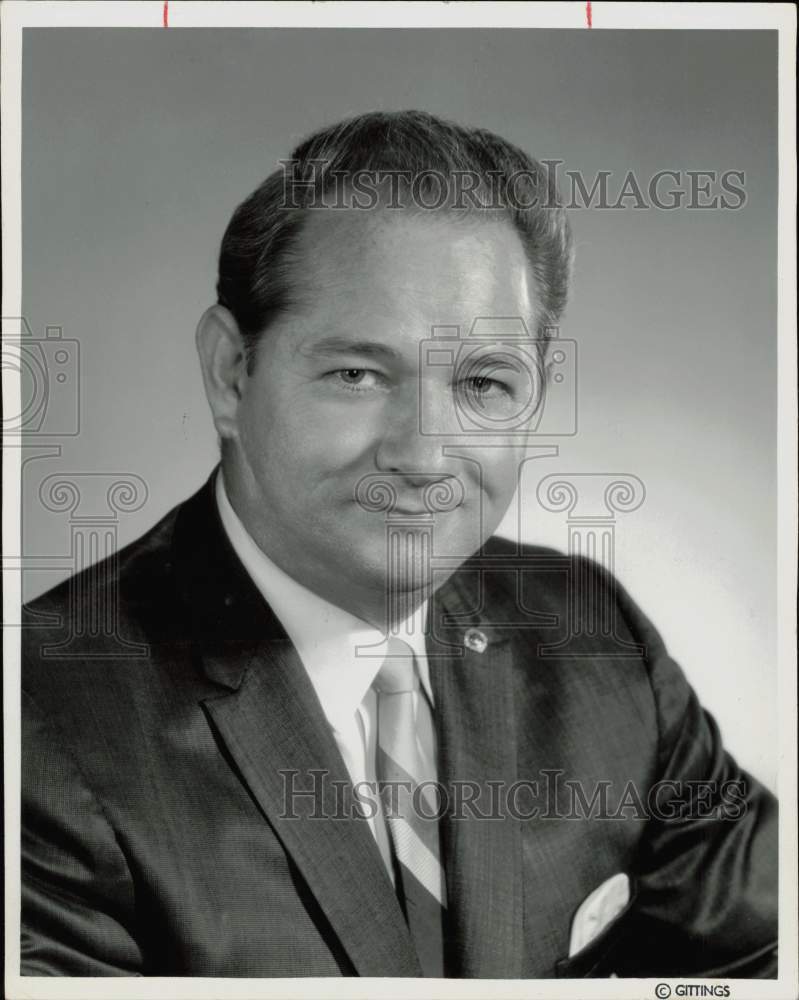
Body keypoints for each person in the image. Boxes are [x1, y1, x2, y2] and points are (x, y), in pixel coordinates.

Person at [21, 110, 777, 979]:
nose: (422, 457)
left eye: (484, 382)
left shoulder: (594, 637)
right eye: (356, 375)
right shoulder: (38, 727)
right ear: (232, 373)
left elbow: (766, 955)